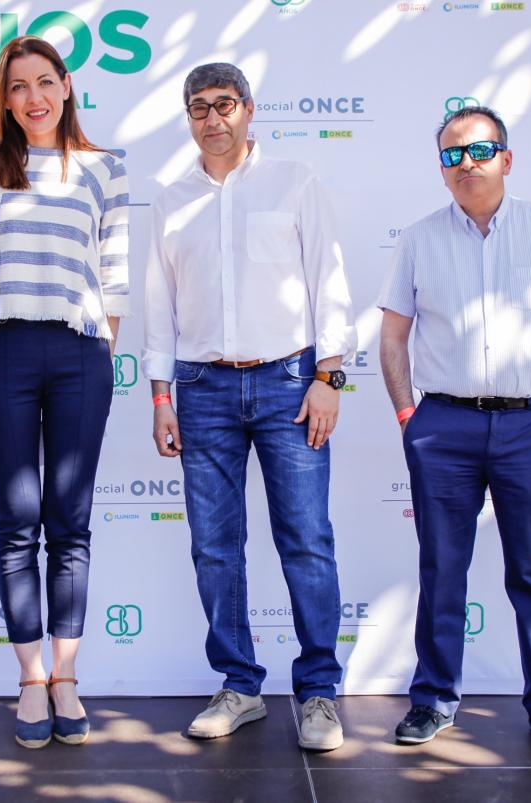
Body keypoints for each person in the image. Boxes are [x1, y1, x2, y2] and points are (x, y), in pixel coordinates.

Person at [377, 105, 531, 753]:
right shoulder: (420, 238)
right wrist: (407, 414)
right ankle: (434, 698)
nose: (466, 164)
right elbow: (393, 336)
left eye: (479, 151)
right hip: (442, 425)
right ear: (441, 169)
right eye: (452, 155)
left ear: (506, 157)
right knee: (442, 568)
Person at [143, 62, 355, 752]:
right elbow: (159, 303)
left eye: (224, 104)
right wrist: (159, 394)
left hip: (291, 383)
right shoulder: (170, 198)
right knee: (213, 546)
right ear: (189, 116)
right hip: (201, 389)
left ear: (248, 108)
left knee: (306, 539)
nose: (213, 118)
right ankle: (240, 684)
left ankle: (318, 692)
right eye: (199, 107)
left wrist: (330, 375)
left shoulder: (296, 182)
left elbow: (331, 279)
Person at [0, 35, 129, 749]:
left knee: (71, 521)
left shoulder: (103, 168)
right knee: (16, 520)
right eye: (17, 85)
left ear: (66, 87)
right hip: (3, 347)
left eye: (43, 82)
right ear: (5, 97)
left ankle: (66, 674)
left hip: (80, 350)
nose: (32, 97)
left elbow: (113, 273)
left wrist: (102, 347)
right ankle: (29, 676)